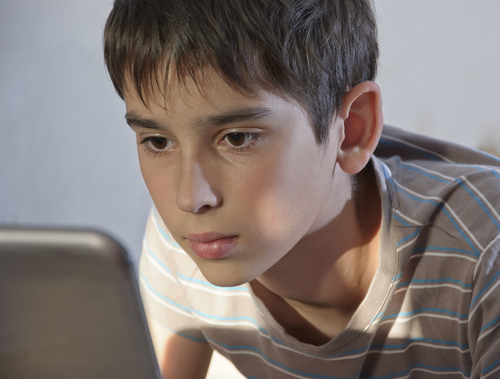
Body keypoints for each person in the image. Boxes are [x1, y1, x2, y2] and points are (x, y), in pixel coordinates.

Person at [103, 0, 500, 378]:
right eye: (157, 141)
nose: (189, 199)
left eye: (238, 138)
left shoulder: (483, 255)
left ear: (351, 132)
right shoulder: (190, 242)